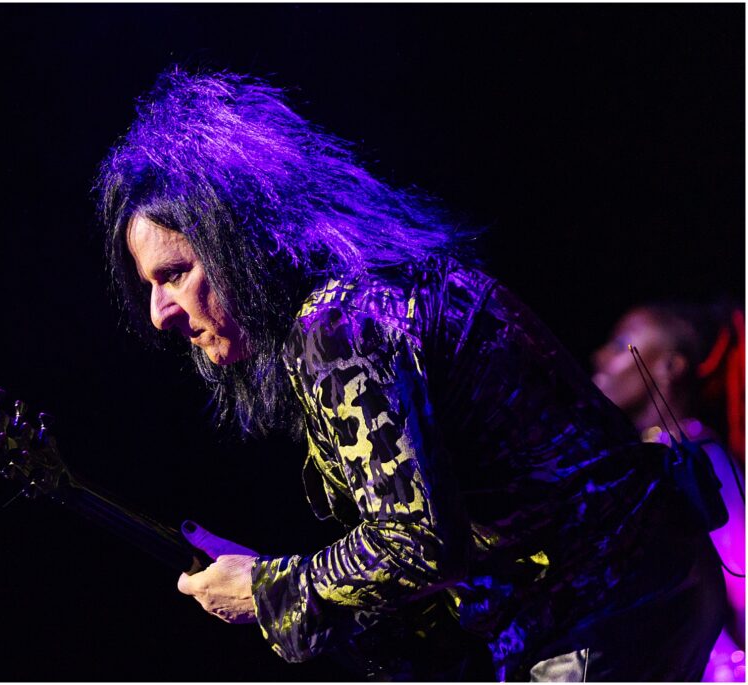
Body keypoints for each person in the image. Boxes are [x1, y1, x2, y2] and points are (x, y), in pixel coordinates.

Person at [96, 67, 726, 681]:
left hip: (599, 610)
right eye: (149, 284)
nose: (159, 314)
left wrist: (269, 589)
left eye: (175, 274)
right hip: (644, 585)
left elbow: (418, 540)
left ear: (241, 243)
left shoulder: (336, 324)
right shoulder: (377, 288)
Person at [593, 303, 745, 682]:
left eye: (621, 344)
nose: (601, 356)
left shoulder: (699, 455)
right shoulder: (638, 459)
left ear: (669, 367)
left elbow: (740, 575)